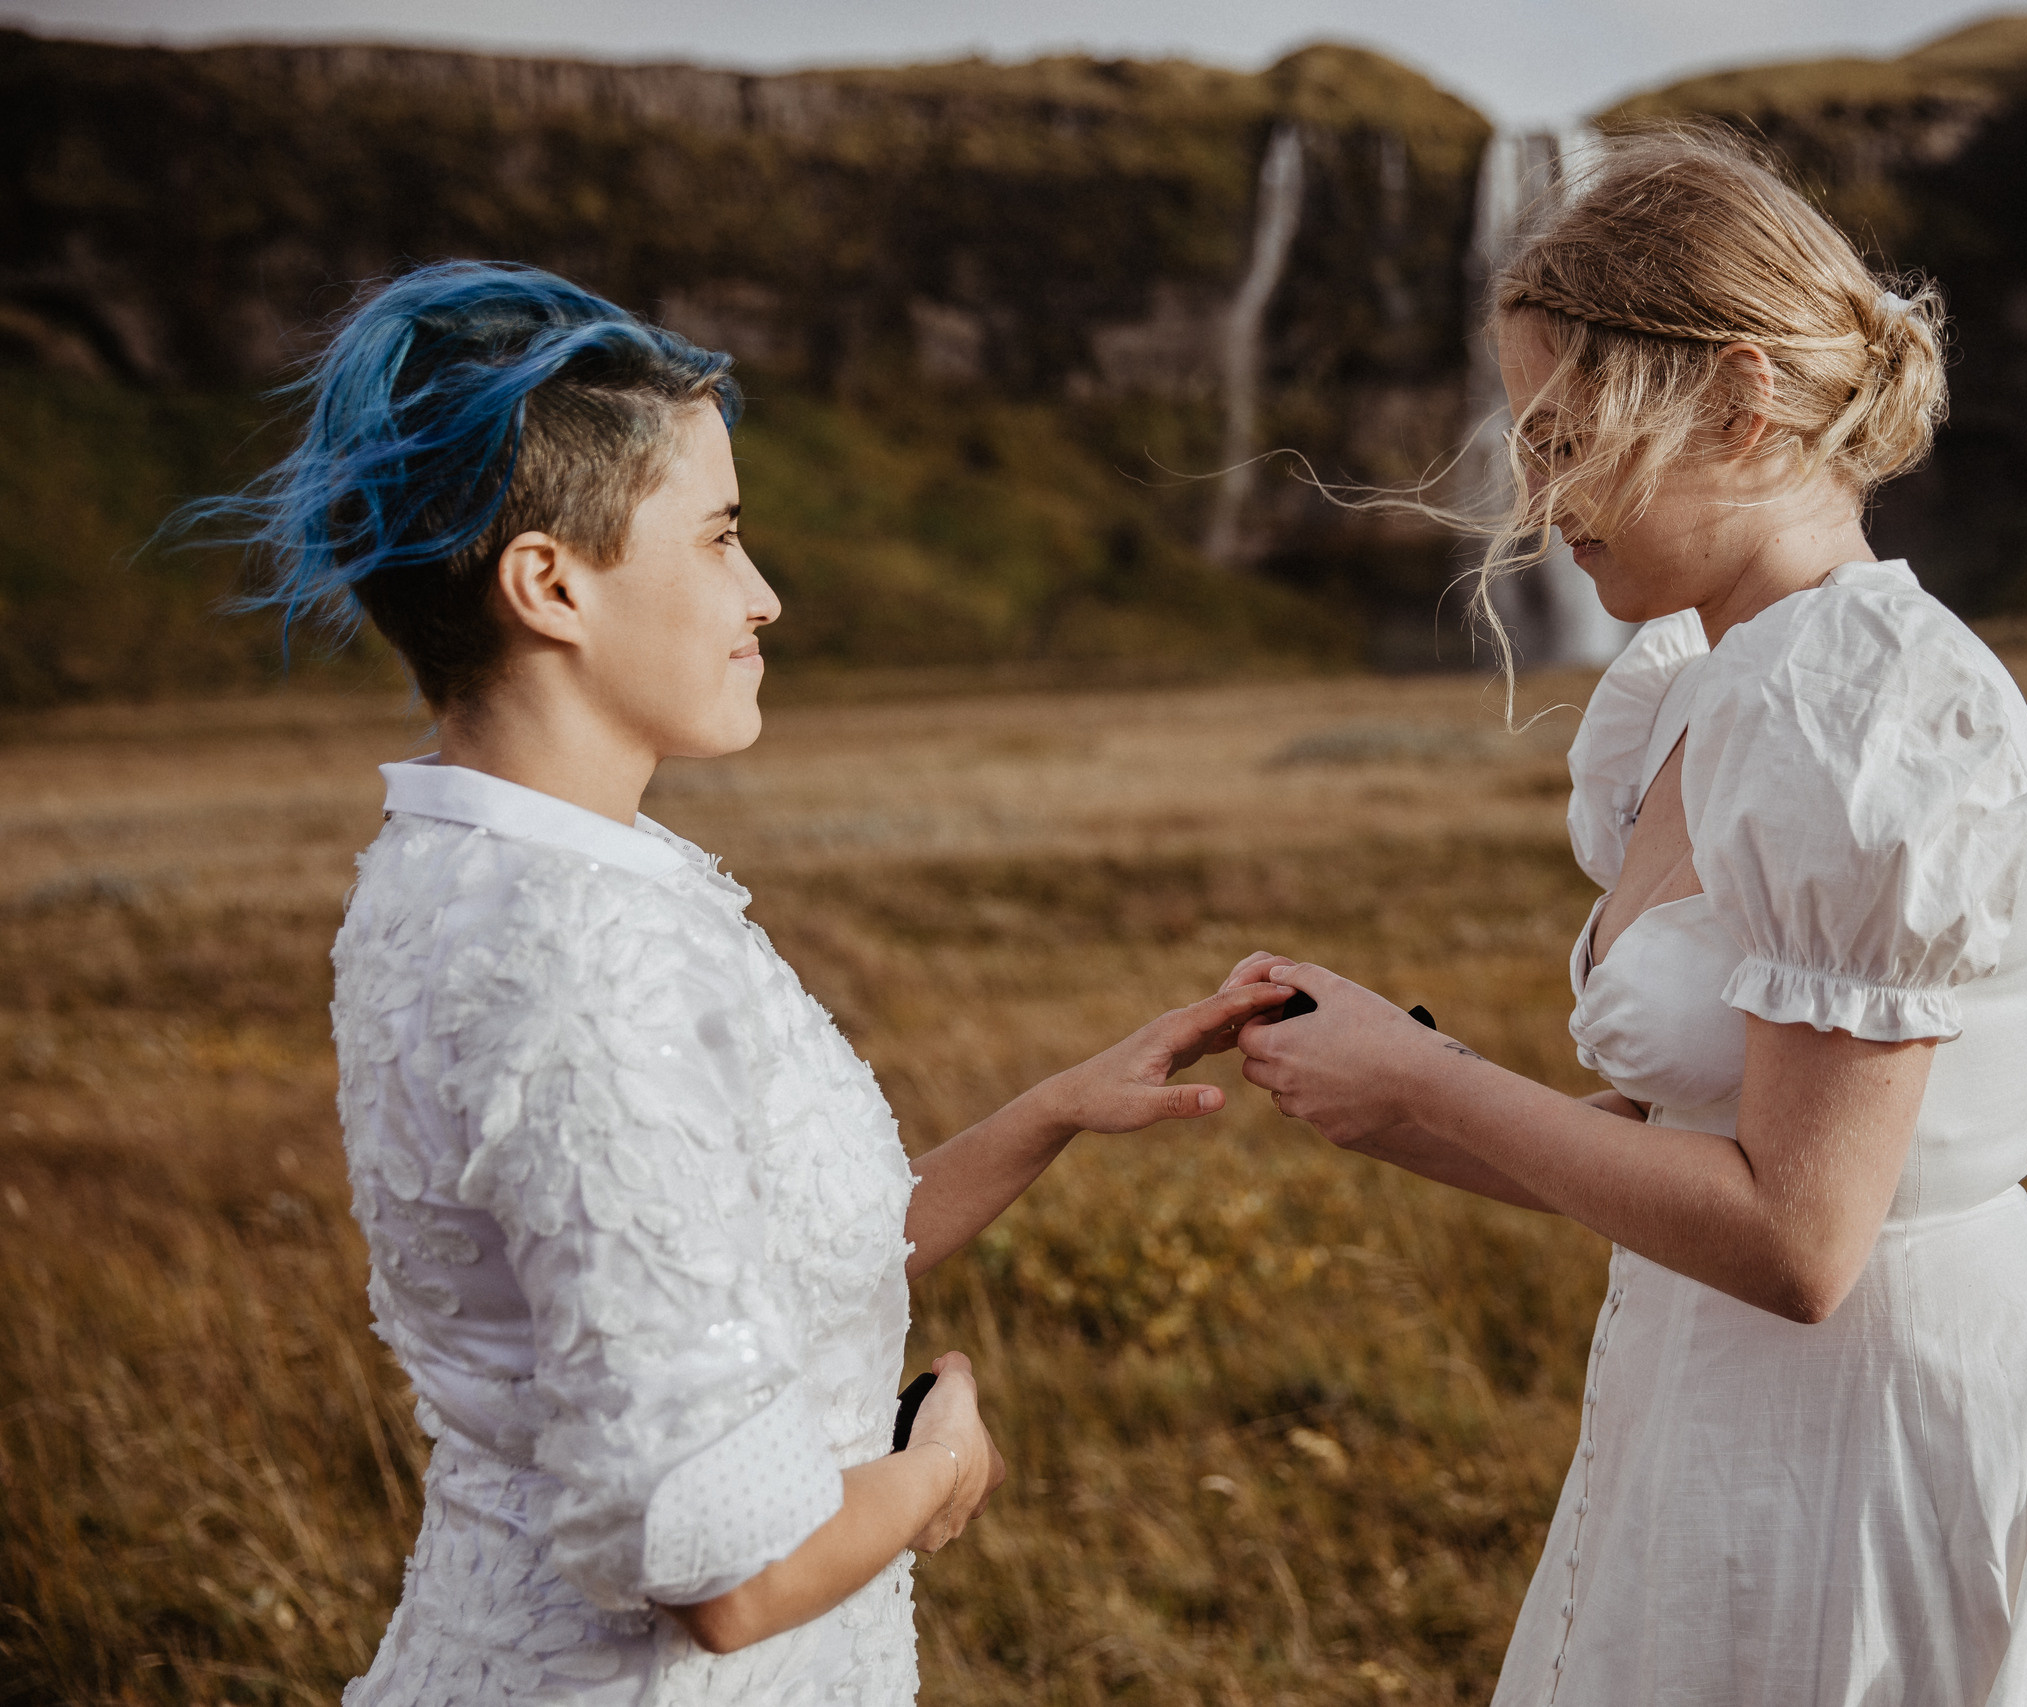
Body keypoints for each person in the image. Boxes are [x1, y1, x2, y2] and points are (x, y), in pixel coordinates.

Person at [181, 261, 1289, 1704]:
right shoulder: (582, 958)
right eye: (717, 539)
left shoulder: (468, 865)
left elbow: (733, 1271)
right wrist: (939, 1465)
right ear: (550, 585)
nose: (763, 597)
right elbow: (727, 1572)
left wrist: (1054, 1111)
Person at [1230, 127, 2027, 1704]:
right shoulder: (1702, 688)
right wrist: (1393, 1099)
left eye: (1567, 437)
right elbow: (1687, 1143)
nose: (1538, 499)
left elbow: (1801, 1240)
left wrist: (1427, 1079)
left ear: (1737, 399)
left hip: (1872, 1454)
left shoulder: (1864, 710)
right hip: (1711, 1415)